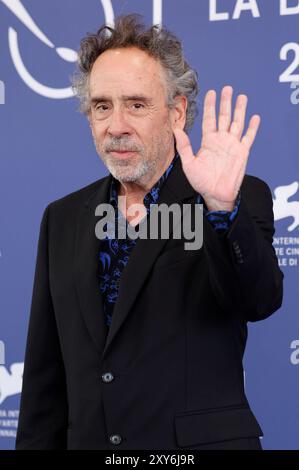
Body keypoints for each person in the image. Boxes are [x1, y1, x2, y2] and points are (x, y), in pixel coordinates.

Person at [16, 14, 283, 450]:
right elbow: (45, 382)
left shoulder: (234, 198)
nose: (116, 125)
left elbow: (258, 299)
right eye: (102, 106)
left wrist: (220, 209)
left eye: (136, 104)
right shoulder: (61, 218)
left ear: (176, 112)